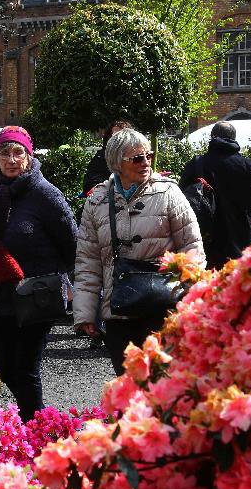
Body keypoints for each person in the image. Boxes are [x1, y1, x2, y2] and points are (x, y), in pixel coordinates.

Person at [0, 126, 76, 421]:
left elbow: (72, 241)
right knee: (4, 366)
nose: (11, 160)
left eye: (18, 153)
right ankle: (37, 421)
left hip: (38, 293)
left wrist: (53, 276)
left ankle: (36, 432)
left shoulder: (45, 193)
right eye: (5, 153)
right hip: (3, 292)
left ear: (29, 156)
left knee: (26, 368)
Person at [75, 127, 205, 375]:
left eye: (149, 155)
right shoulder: (97, 201)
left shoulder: (169, 193)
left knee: (161, 386)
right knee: (127, 390)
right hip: (118, 314)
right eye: (136, 158)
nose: (145, 163)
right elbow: (88, 262)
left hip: (162, 308)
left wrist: (190, 301)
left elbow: (192, 249)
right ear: (117, 163)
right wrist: (85, 313)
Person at [178, 121, 251, 268]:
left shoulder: (197, 163)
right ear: (234, 138)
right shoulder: (248, 165)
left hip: (207, 240)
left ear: (212, 137)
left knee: (207, 287)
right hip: (242, 240)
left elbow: (181, 199)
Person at [82, 120, 132, 201]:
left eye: (122, 136)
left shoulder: (137, 157)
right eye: (114, 136)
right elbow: (89, 186)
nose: (117, 140)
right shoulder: (100, 157)